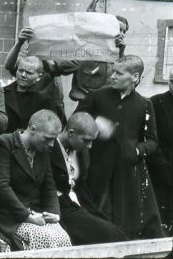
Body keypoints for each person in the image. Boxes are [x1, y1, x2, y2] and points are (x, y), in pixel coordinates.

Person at [75, 55, 163, 239]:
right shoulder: (96, 97)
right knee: (95, 219)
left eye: (119, 73)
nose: (112, 76)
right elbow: (74, 123)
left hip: (128, 176)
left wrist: (136, 151)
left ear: (135, 77)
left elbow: (152, 141)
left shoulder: (144, 104)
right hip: (96, 170)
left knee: (126, 224)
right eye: (113, 71)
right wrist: (94, 123)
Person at [0, 110, 71, 251]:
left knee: (63, 237)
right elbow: (1, 186)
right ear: (33, 129)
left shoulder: (43, 149)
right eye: (48, 138)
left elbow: (49, 185)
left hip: (37, 213)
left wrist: (54, 213)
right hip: (11, 216)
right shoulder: (5, 143)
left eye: (54, 139)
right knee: (43, 237)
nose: (52, 144)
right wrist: (27, 216)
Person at [51, 112, 127, 245]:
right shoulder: (50, 149)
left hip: (80, 203)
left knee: (115, 232)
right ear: (71, 133)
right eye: (86, 141)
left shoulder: (80, 153)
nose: (90, 146)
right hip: (60, 207)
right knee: (107, 235)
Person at [3, 55, 65, 133]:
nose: (23, 75)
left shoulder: (44, 100)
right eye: (20, 70)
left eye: (29, 73)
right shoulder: (2, 93)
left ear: (39, 77)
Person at [148, 68, 173, 232]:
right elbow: (150, 138)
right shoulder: (156, 102)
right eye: (172, 80)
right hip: (162, 168)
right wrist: (163, 167)